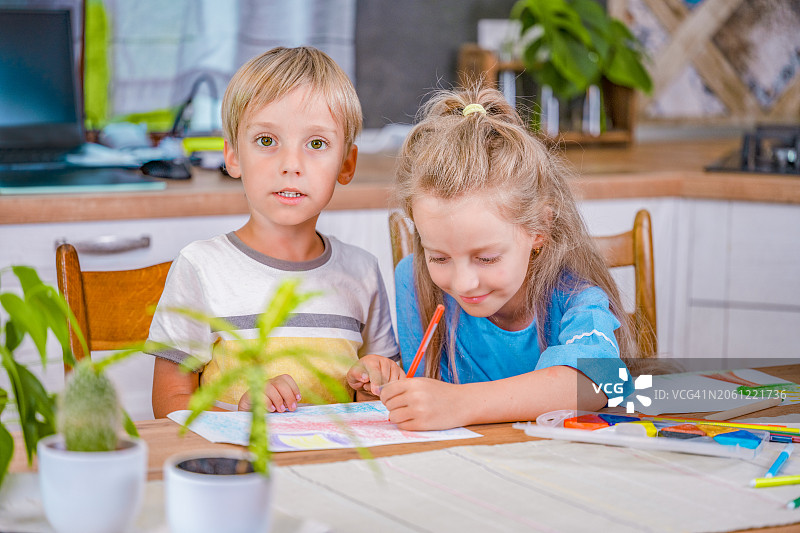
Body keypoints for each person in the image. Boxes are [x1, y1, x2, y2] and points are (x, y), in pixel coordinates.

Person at [147, 46, 400, 418]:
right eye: (267, 141)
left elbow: (377, 403)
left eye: (316, 144)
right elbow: (168, 408)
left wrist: (376, 385)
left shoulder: (362, 271)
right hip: (240, 471)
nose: (291, 165)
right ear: (232, 156)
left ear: (346, 164)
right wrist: (240, 414)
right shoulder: (200, 267)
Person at [380, 86, 636, 430]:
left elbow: (603, 384)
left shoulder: (578, 300)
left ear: (539, 228)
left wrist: (459, 404)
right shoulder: (414, 281)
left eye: (486, 258)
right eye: (439, 257)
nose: (463, 282)